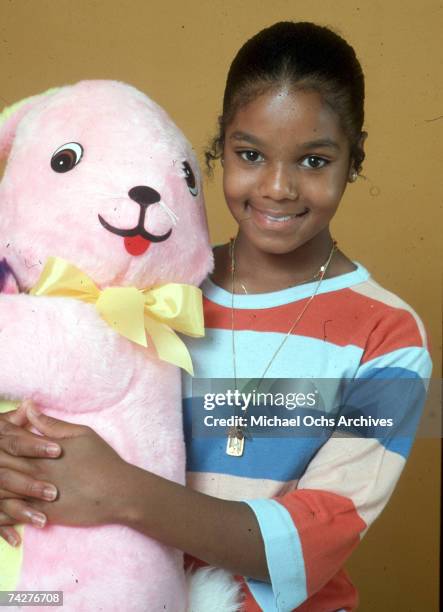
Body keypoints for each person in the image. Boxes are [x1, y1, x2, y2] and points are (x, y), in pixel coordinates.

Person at [0, 21, 432, 611]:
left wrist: (120, 492)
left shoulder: (387, 335)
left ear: (354, 157)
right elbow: (46, 378)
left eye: (314, 160)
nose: (278, 187)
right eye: (250, 154)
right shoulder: (149, 288)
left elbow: (317, 536)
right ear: (218, 147)